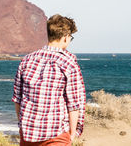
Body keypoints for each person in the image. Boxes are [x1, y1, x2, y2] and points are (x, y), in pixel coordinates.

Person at [12, 14, 86, 146]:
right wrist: (72, 133)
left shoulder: (27, 60)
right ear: (65, 37)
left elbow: (18, 99)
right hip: (56, 134)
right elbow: (74, 104)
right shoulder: (68, 63)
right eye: (70, 37)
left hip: (28, 133)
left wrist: (22, 125)